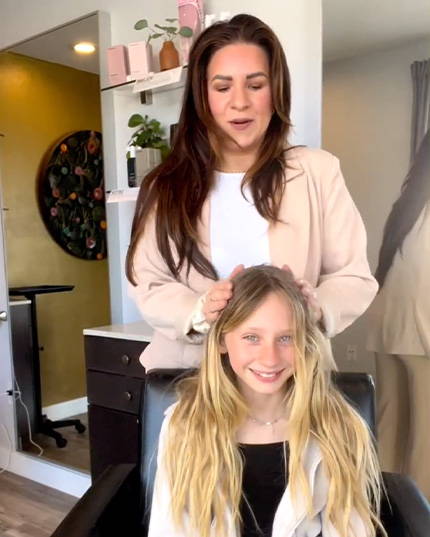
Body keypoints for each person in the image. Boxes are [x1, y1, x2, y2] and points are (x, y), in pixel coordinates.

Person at [126, 13, 378, 371]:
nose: (240, 102)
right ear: (202, 96)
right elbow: (149, 281)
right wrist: (198, 310)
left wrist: (317, 304)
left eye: (255, 85)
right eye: (222, 86)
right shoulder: (166, 184)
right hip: (192, 377)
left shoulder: (317, 171)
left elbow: (353, 276)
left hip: (294, 378)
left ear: (275, 91)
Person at [147, 266, 385, 537]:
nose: (270, 358)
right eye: (251, 337)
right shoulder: (184, 426)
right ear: (223, 341)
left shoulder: (340, 427)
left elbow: (351, 529)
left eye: (286, 338)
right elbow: (169, 529)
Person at [367, 129, 430, 500]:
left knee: (391, 426)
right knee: (425, 438)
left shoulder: (410, 202)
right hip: (421, 335)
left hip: (388, 329)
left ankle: (379, 507)